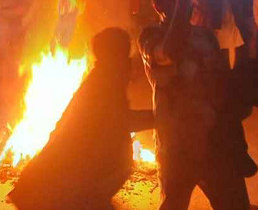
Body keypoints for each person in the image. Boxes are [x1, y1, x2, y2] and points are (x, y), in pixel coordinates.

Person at [139, 0, 254, 210]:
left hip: (215, 143)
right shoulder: (150, 37)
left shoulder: (204, 36)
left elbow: (219, 82)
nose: (191, 1)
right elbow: (170, 52)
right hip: (178, 145)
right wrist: (182, 0)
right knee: (174, 204)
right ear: (160, 7)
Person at [9, 28, 153, 210]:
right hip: (58, 189)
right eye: (125, 52)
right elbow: (121, 121)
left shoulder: (105, 78)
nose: (130, 59)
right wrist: (160, 116)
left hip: (65, 186)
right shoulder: (103, 84)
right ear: (115, 55)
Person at [216, 0, 245, 70]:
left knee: (232, 46)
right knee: (219, 45)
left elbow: (239, 6)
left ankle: (231, 68)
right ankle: (221, 68)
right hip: (221, 21)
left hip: (232, 21)